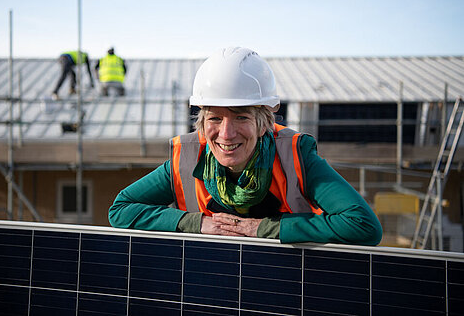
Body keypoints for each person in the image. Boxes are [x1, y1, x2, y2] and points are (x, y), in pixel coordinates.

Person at [109, 47, 383, 245]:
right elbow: (120, 209)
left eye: (241, 117)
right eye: (215, 118)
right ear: (202, 125)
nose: (226, 134)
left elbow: (363, 225)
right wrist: (197, 223)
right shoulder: (187, 161)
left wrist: (264, 229)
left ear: (264, 123)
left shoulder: (295, 157)